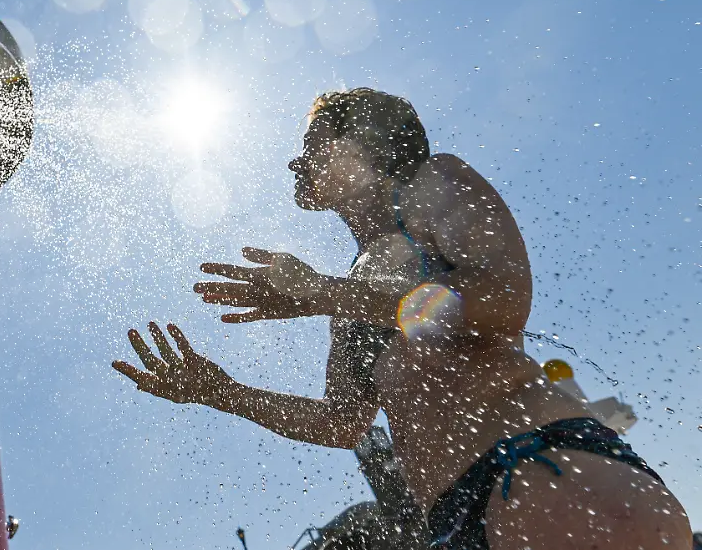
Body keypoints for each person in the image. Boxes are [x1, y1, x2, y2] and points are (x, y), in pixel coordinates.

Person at [112, 87, 692, 549]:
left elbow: (504, 298)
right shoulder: (349, 290)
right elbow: (342, 425)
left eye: (313, 143)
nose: (296, 161)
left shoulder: (430, 185)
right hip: (451, 518)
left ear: (362, 143)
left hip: (538, 467)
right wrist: (221, 392)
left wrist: (325, 293)